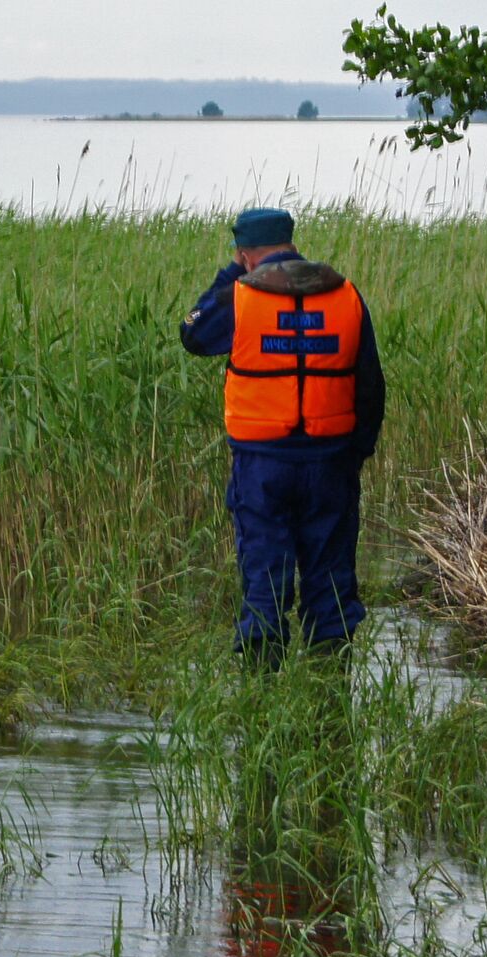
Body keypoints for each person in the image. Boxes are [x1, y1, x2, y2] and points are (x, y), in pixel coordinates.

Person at [180, 208, 386, 668]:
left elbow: (192, 334)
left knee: (265, 572)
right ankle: (330, 680)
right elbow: (370, 383)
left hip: (262, 465)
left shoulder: (240, 296)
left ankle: (261, 686)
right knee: (330, 574)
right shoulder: (346, 295)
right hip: (330, 459)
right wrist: (357, 452)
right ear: (291, 243)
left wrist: (232, 273)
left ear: (247, 253)